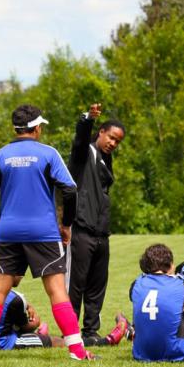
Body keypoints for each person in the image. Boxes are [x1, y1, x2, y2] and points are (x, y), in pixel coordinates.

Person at [0, 104, 93, 361]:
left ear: (16, 129)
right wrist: (67, 225)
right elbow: (70, 190)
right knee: (57, 291)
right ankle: (77, 351)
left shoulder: (0, 156)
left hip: (8, 233)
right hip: (44, 233)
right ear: (37, 128)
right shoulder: (48, 154)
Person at [67, 103, 126, 346]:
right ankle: (71, 332)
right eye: (111, 137)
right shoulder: (86, 154)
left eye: (117, 141)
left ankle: (90, 331)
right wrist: (87, 119)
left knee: (97, 285)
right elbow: (80, 142)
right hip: (82, 231)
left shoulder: (105, 160)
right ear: (101, 132)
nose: (113, 143)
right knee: (76, 285)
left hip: (101, 234)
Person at [0, 277, 128, 350]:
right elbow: (25, 326)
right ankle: (107, 341)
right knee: (56, 341)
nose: (22, 275)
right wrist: (35, 323)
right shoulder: (15, 300)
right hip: (1, 343)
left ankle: (38, 336)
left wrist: (26, 306)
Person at [130, 244, 184, 362]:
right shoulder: (181, 283)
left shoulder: (136, 283)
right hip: (174, 353)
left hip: (140, 353)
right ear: (170, 264)